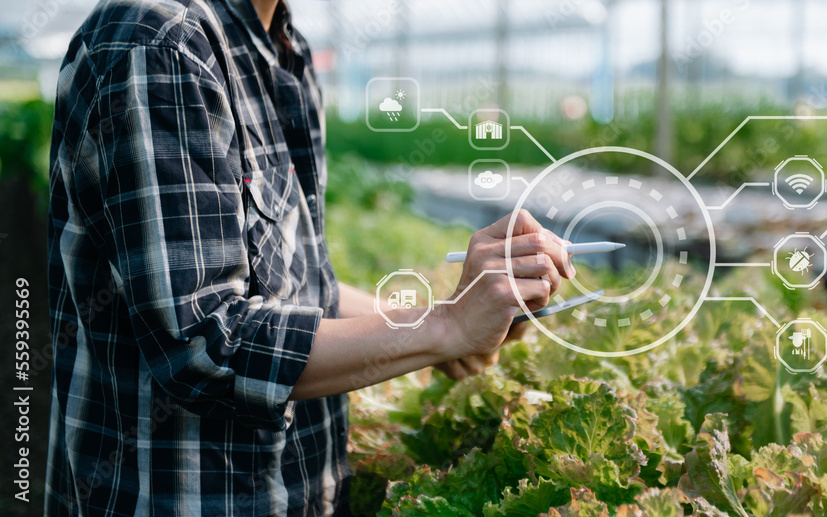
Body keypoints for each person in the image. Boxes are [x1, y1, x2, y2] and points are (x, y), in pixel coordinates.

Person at [44, 0, 574, 514]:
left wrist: (456, 320)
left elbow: (296, 287)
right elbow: (207, 343)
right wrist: (445, 326)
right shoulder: (161, 39)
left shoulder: (284, 50)